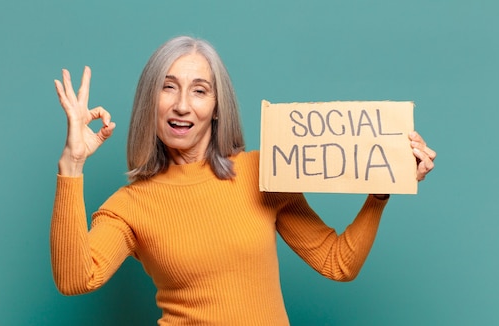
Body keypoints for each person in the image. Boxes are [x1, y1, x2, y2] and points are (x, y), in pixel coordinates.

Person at [51, 35, 436, 325]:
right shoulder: (129, 205)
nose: (182, 104)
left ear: (217, 108)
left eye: (199, 91)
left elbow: (338, 264)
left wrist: (380, 192)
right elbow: (75, 279)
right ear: (149, 102)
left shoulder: (261, 173)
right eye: (168, 87)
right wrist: (72, 164)